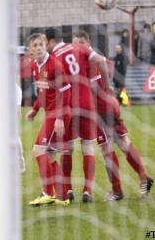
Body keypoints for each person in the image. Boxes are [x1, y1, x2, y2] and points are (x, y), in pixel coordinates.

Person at [73, 31, 154, 201]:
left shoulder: (90, 61)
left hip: (100, 109)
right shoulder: (91, 60)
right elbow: (108, 66)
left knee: (106, 148)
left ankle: (117, 191)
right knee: (123, 142)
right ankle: (144, 178)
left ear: (88, 42)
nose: (79, 47)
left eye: (82, 42)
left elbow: (96, 81)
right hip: (109, 106)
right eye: (76, 44)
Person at [45, 28, 112, 204]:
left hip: (67, 108)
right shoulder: (79, 48)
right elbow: (101, 61)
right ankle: (87, 191)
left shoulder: (53, 59)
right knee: (88, 148)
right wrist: (107, 85)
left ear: (52, 42)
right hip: (86, 105)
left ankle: (67, 190)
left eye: (45, 42)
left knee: (67, 149)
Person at [25, 33, 72, 206]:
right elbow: (44, 92)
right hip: (50, 114)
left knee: (38, 150)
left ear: (45, 46)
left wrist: (59, 118)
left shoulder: (54, 65)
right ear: (30, 49)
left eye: (41, 45)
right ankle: (63, 196)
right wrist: (35, 110)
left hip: (58, 115)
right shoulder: (35, 66)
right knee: (51, 155)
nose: (38, 48)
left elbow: (66, 91)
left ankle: (47, 193)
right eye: (34, 45)